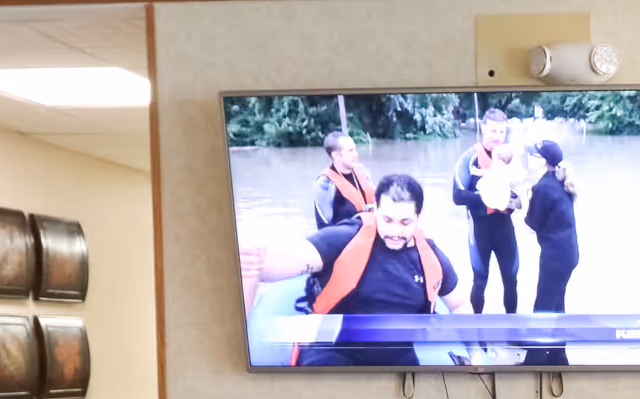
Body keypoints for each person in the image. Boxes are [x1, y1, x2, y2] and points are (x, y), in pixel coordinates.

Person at [240, 173, 467, 368]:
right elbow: (283, 263)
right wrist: (256, 262)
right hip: (334, 349)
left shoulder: (432, 257)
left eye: (405, 222)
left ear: (419, 216)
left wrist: (476, 354)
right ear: (375, 209)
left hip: (396, 355)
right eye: (387, 219)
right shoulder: (345, 238)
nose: (395, 231)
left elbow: (458, 304)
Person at [452, 108, 521, 313]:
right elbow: (457, 196)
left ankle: (512, 331)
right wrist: (488, 198)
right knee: (480, 281)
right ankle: (476, 333)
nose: (497, 137)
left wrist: (516, 201)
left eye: (501, 132)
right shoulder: (469, 159)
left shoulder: (511, 158)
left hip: (504, 229)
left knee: (511, 280)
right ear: (483, 129)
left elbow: (521, 193)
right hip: (480, 230)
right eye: (493, 131)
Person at [519, 139, 580, 368]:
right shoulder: (558, 181)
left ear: (542, 161)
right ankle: (557, 356)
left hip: (556, 257)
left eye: (532, 155)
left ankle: (533, 362)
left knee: (543, 307)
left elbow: (533, 222)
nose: (528, 159)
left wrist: (524, 196)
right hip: (568, 253)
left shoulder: (543, 187)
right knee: (556, 304)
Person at [312, 130, 376, 229]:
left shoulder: (363, 172)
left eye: (355, 149)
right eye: (350, 151)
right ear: (336, 155)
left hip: (370, 234)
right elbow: (324, 227)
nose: (356, 154)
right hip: (346, 241)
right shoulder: (325, 184)